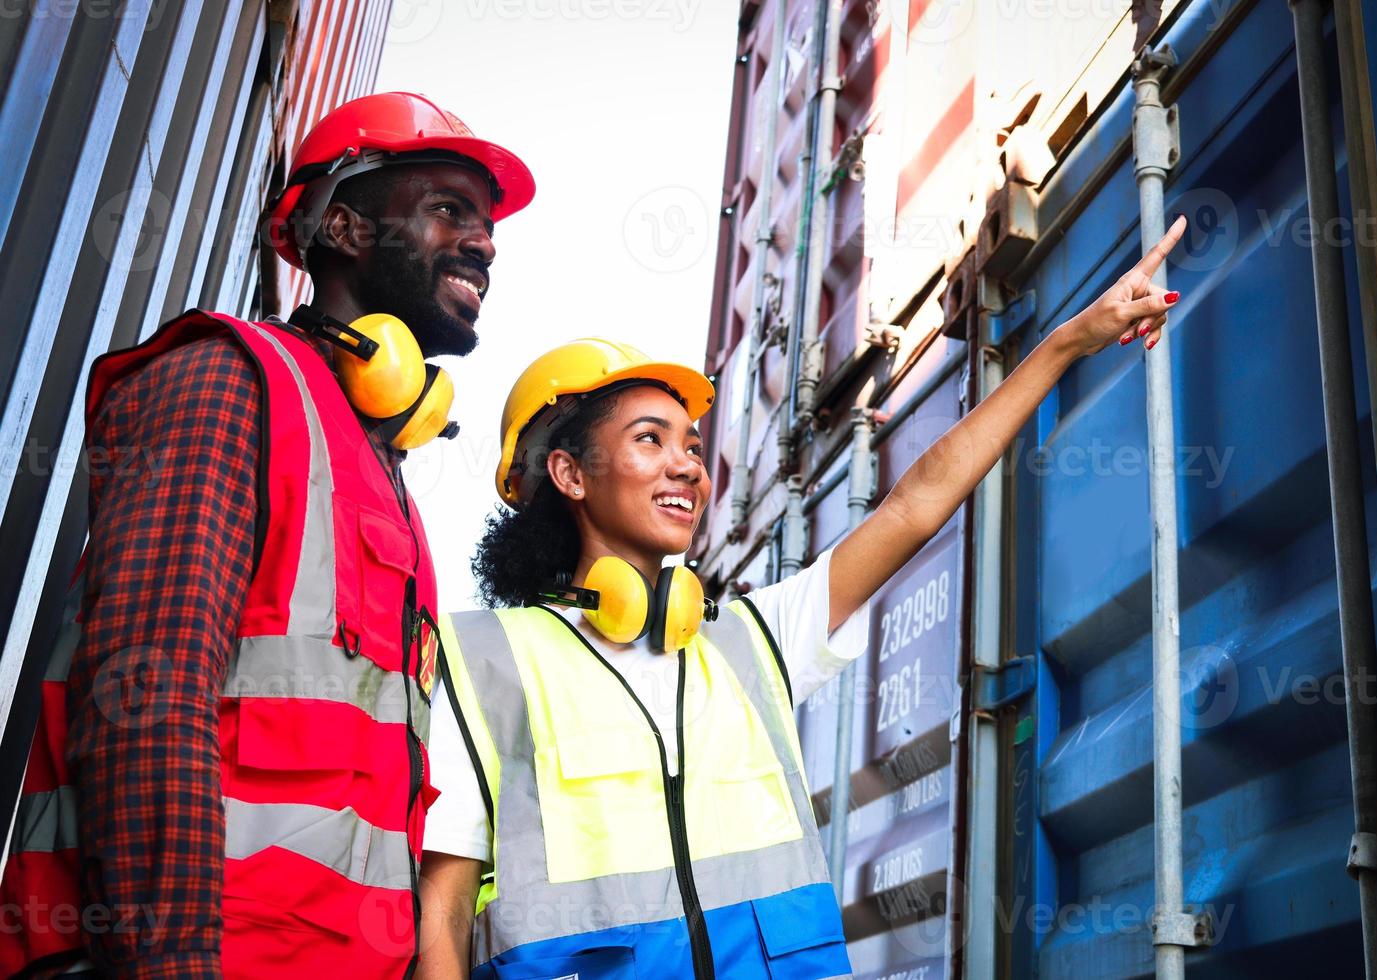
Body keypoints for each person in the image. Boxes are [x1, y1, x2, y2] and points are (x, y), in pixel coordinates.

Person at [418, 217, 1189, 980]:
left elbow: (915, 505)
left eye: (693, 445)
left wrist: (1066, 342)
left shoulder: (750, 643)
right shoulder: (487, 664)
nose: (688, 465)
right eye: (650, 440)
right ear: (571, 474)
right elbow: (443, 915)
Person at [0, 92, 534, 978]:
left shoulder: (379, 474)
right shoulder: (228, 381)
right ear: (346, 230)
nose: (481, 243)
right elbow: (147, 690)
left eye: (486, 226)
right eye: (448, 210)